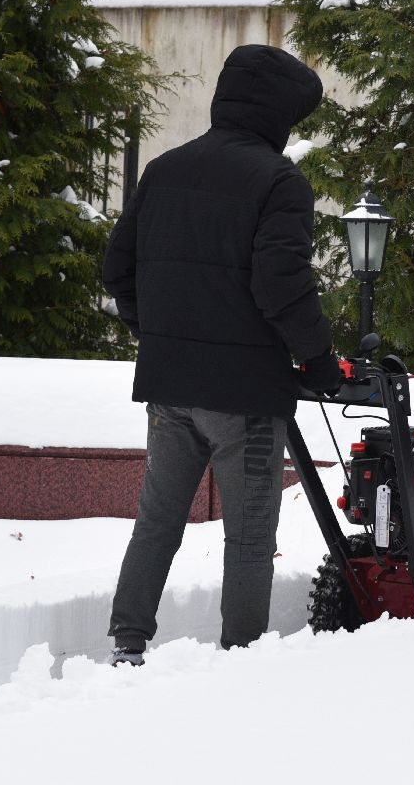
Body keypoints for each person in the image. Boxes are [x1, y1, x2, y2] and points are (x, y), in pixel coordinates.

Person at [101, 43, 343, 665]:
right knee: (250, 534)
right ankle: (241, 657)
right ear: (276, 115)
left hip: (169, 387)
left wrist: (156, 333)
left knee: (158, 520)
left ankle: (128, 639)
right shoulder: (278, 181)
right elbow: (280, 283)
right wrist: (317, 359)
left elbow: (117, 269)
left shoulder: (164, 168)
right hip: (246, 396)